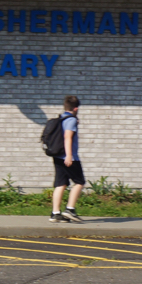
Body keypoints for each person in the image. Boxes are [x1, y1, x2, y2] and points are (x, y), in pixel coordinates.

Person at [50, 95, 85, 223]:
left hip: (58, 156)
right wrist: (69, 155)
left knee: (61, 184)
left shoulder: (63, 118)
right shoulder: (71, 120)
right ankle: (70, 209)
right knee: (80, 182)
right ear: (76, 108)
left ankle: (55, 213)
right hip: (69, 157)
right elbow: (67, 137)